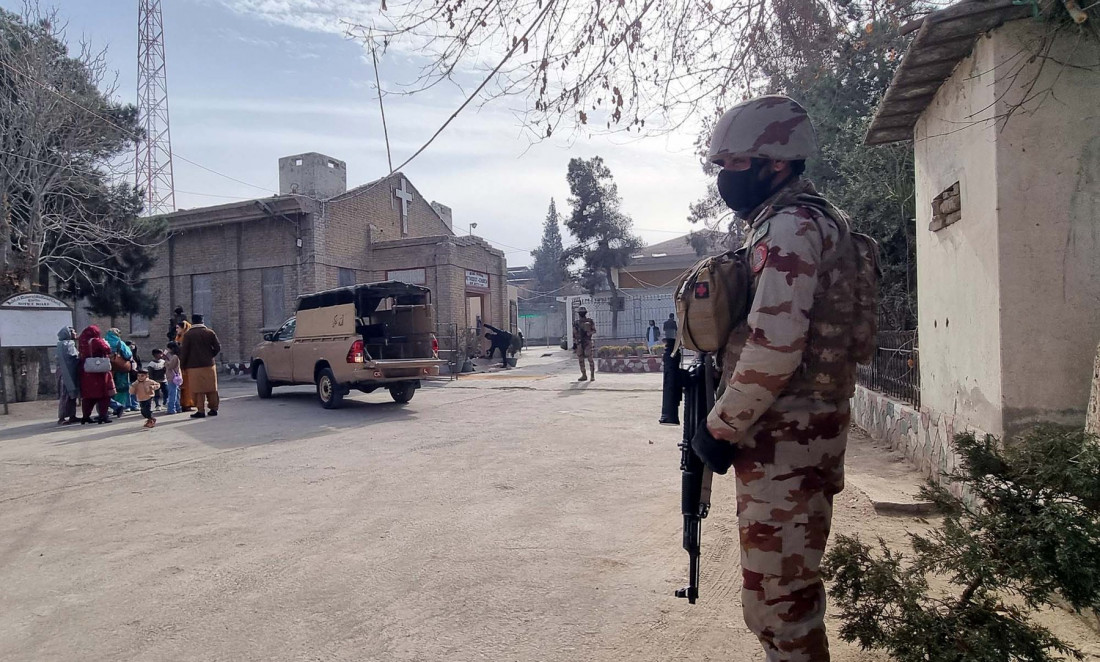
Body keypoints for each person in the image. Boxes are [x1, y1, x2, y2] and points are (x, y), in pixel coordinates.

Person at [689, 95, 866, 662]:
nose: (726, 176)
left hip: (787, 437)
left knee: (781, 602)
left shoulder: (790, 226)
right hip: (799, 432)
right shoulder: (807, 219)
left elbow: (774, 347)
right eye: (722, 165)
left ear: (778, 163)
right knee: (779, 595)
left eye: (737, 163)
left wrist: (719, 428)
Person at [179, 314, 221, 419]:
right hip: (209, 365)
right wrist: (210, 355)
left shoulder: (188, 335)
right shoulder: (210, 332)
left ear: (192, 321)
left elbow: (184, 352)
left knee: (198, 389)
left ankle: (201, 410)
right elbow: (217, 347)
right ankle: (214, 408)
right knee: (211, 388)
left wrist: (182, 365)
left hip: (193, 366)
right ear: (202, 321)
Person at [77, 326, 114, 424]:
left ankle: (85, 417)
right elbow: (107, 349)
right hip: (99, 372)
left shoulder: (82, 341)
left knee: (88, 396)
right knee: (103, 395)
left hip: (87, 371)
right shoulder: (96, 341)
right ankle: (103, 416)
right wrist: (105, 342)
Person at [104, 328, 133, 418]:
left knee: (109, 388)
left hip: (107, 369)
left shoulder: (104, 342)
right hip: (120, 369)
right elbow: (128, 355)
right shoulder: (120, 343)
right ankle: (119, 407)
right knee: (121, 388)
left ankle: (107, 408)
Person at [55, 326, 80, 425]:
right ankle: (62, 418)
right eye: (73, 332)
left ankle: (72, 416)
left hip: (65, 372)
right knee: (66, 395)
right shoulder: (68, 344)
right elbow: (74, 357)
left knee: (71, 395)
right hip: (67, 374)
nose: (75, 333)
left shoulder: (61, 344)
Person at [175, 320, 194, 412]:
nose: (176, 330)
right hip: (179, 365)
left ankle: (188, 404)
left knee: (187, 386)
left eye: (178, 328)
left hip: (186, 365)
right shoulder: (178, 338)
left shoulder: (187, 338)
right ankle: (181, 403)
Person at [572, 306, 596, 381]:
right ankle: (584, 375)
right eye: (581, 313)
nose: (581, 314)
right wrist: (575, 343)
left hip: (587, 342)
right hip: (579, 342)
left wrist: (588, 333)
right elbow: (574, 333)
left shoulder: (590, 321)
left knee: (590, 359)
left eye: (582, 312)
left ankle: (592, 375)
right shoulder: (576, 323)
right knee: (581, 360)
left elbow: (594, 330)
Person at [164, 341, 182, 415]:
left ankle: (171, 409)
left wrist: (166, 362)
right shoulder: (176, 356)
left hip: (172, 377)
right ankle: (178, 407)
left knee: (172, 393)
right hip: (176, 377)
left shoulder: (175, 357)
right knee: (176, 393)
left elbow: (170, 366)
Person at [126, 341, 142, 411]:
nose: (131, 346)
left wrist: (137, 370)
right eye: (129, 345)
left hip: (134, 376)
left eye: (133, 345)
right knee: (128, 391)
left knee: (134, 391)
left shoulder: (136, 356)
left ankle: (135, 405)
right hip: (127, 375)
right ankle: (127, 405)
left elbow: (140, 365)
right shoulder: (125, 356)